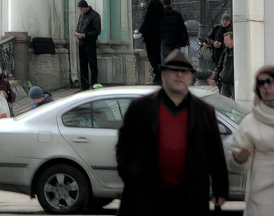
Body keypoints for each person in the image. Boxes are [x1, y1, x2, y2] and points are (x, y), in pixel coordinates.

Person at [116, 50, 228, 214]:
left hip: (189, 197)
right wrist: (133, 178)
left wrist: (220, 189)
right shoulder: (140, 108)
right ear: (163, 75)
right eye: (173, 70)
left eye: (184, 72)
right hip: (147, 197)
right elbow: (124, 148)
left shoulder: (204, 112)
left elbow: (215, 153)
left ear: (191, 77)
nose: (179, 75)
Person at [229, 64, 274, 215]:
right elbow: (237, 155)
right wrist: (240, 158)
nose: (266, 86)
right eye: (261, 83)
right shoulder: (250, 121)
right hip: (262, 194)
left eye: (270, 81)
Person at [138, 0, 165, 84]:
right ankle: (159, 76)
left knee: (152, 56)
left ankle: (157, 76)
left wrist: (140, 30)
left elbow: (147, 19)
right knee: (157, 56)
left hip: (150, 35)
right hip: (159, 35)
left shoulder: (150, 4)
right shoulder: (160, 4)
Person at [74, 0, 101, 90]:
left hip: (90, 43)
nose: (80, 11)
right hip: (81, 43)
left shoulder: (95, 15)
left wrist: (85, 35)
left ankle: (94, 84)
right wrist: (77, 33)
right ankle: (84, 85)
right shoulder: (81, 16)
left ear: (86, 7)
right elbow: (79, 27)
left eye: (81, 9)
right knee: (82, 64)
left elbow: (97, 31)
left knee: (92, 64)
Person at [210, 32, 235, 98]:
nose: (224, 42)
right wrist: (214, 78)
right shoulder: (225, 51)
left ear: (232, 40)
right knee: (223, 102)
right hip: (224, 82)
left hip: (233, 83)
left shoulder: (237, 51)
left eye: (226, 40)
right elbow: (219, 66)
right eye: (224, 40)